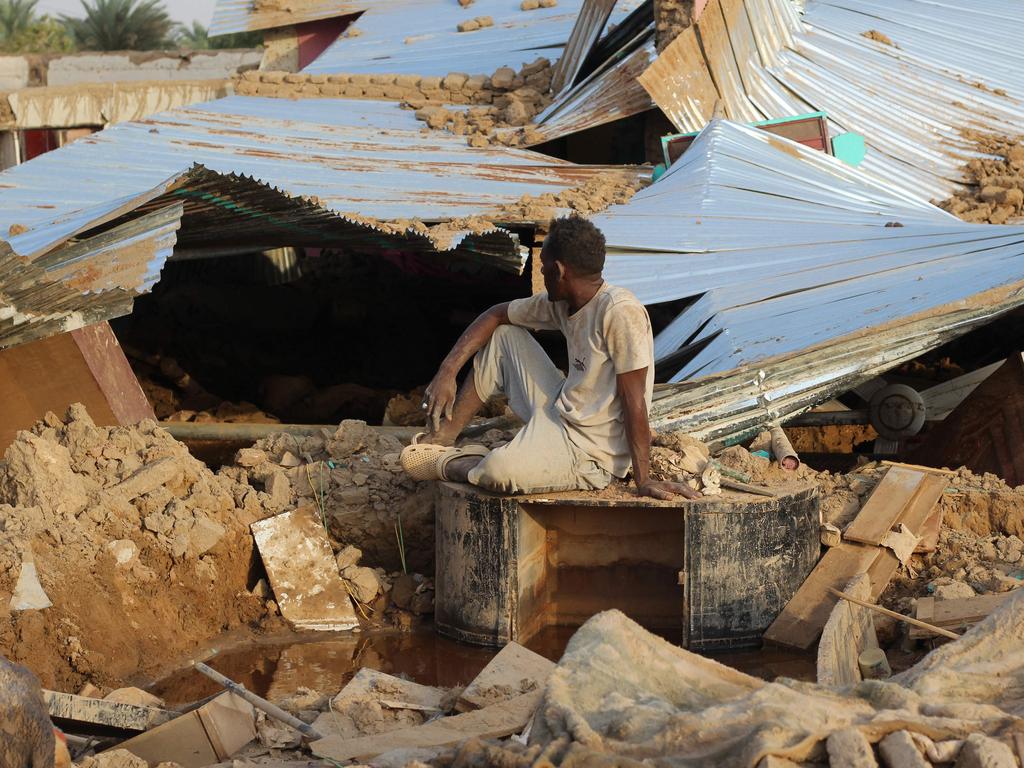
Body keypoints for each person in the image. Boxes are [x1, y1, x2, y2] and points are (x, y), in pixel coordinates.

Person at [399, 215, 700, 500]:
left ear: (559, 270)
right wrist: (447, 371)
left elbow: (635, 402)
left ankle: (454, 463)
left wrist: (643, 479)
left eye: (543, 267)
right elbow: (496, 314)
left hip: (591, 452)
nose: (541, 274)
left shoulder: (620, 312)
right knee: (505, 335)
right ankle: (442, 441)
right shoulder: (562, 303)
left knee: (498, 471)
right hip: (561, 411)